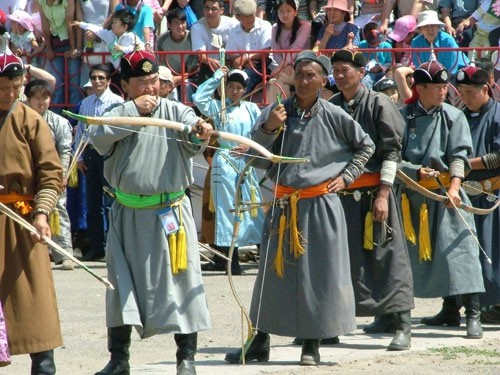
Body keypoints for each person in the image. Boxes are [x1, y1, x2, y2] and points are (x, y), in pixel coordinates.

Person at [224, 50, 375, 366]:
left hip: (321, 205)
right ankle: (260, 340)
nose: (304, 81)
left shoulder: (335, 115)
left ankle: (311, 344)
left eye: (311, 75)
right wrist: (268, 128)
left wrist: (346, 177)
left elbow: (366, 146)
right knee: (270, 275)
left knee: (317, 276)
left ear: (323, 80)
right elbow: (255, 157)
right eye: (300, 75)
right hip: (283, 205)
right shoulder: (277, 112)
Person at [88, 49, 212, 375]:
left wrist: (200, 128)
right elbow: (97, 136)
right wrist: (131, 111)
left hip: (170, 213)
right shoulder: (117, 112)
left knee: (183, 283)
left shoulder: (175, 111)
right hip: (128, 214)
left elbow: (192, 129)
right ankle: (119, 359)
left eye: (154, 80)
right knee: (120, 287)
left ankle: (187, 358)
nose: (150, 89)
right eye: (141, 82)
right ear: (125, 85)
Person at [329, 48, 414, 350]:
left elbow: (392, 152)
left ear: (361, 73)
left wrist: (382, 194)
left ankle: (402, 324)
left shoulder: (379, 103)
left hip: (377, 191)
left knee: (387, 256)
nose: (339, 75)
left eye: (345, 70)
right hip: (343, 195)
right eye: (335, 70)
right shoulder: (332, 105)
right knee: (344, 260)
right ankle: (331, 326)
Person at [398, 59, 485, 339]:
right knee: (404, 259)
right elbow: (392, 157)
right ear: (419, 88)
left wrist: (455, 186)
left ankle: (473, 314)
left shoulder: (453, 115)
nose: (443, 92)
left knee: (461, 253)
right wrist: (415, 171)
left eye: (444, 87)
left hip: (449, 194)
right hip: (413, 197)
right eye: (436, 87)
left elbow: (459, 155)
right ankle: (399, 318)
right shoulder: (402, 116)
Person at [0, 40, 63, 375]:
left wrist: (41, 213)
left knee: (36, 309)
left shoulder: (31, 120)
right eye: (2, 88)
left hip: (23, 223)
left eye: (14, 87)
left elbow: (52, 173)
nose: (9, 94)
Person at [424, 66, 500, 326]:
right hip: (460, 195)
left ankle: (494, 305)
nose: (465, 98)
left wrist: (464, 162)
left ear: (486, 89)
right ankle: (451, 306)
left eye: (470, 92)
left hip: (492, 196)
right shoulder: (456, 117)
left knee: (490, 252)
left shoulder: (498, 115)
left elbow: (498, 157)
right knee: (454, 250)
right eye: (462, 93)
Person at [193, 67, 265, 275]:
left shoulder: (251, 108)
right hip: (224, 162)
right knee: (227, 211)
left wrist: (249, 147)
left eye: (239, 88)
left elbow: (260, 131)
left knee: (253, 208)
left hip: (245, 161)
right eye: (231, 87)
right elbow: (199, 98)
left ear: (244, 90)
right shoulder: (218, 106)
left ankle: (264, 256)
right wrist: (217, 78)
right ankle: (231, 262)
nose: (234, 91)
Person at [74, 63, 124, 262]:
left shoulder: (117, 102)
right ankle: (97, 247)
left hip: (109, 154)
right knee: (93, 203)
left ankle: (115, 246)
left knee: (112, 201)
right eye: (94, 78)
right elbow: (80, 130)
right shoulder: (86, 103)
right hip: (90, 154)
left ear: (109, 80)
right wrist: (78, 158)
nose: (97, 81)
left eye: (101, 78)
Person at [24, 78, 75, 270]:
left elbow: (64, 150)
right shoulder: (20, 120)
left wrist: (62, 174)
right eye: (37, 98)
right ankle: (35, 253)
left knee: (59, 209)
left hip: (50, 173)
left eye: (45, 98)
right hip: (28, 174)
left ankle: (64, 253)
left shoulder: (59, 122)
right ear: (28, 99)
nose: (41, 102)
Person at [39, 0, 82, 112]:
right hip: (55, 45)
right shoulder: (41, 2)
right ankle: (56, 116)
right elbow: (45, 24)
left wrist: (73, 48)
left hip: (70, 42)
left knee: (74, 85)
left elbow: (70, 23)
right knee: (57, 85)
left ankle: (75, 119)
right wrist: (49, 48)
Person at [267, 0, 311, 104]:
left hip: (302, 66)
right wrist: (284, 67)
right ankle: (281, 110)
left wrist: (281, 67)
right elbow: (276, 51)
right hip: (285, 68)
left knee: (278, 77)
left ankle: (275, 110)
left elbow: (296, 48)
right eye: (281, 11)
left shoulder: (305, 26)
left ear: (295, 12)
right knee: (278, 80)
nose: (285, 14)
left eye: (288, 11)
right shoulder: (275, 28)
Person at [226, 0, 274, 95]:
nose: (250, 19)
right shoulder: (233, 30)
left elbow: (265, 52)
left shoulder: (265, 26)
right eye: (246, 16)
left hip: (262, 67)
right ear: (238, 17)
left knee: (242, 80)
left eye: (251, 15)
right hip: (239, 66)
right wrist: (244, 61)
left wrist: (244, 58)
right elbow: (230, 53)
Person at [71, 8, 144, 70]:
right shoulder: (110, 35)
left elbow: (136, 50)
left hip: (134, 70)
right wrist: (80, 24)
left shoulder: (130, 36)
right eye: (112, 22)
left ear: (124, 26)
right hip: (119, 71)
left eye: (115, 23)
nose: (112, 25)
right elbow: (98, 30)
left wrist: (122, 49)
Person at [190, 0, 238, 86]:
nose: (209, 12)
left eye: (214, 9)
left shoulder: (233, 25)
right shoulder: (197, 27)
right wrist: (211, 62)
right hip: (208, 65)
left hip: (230, 64)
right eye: (207, 8)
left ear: (221, 11)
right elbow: (201, 56)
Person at [157, 8, 198, 102]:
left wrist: (180, 78)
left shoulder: (192, 38)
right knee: (170, 88)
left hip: (189, 76)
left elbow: (194, 68)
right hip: (170, 76)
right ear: (169, 25)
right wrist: (172, 78)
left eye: (183, 22)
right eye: (176, 23)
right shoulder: (162, 41)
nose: (180, 26)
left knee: (186, 85)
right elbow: (162, 65)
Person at [411, 10, 469, 75]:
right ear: (420, 29)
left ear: (438, 27)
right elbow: (419, 68)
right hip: (431, 78)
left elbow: (451, 70)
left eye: (433, 25)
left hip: (460, 74)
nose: (430, 30)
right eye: (426, 26)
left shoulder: (448, 41)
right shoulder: (415, 42)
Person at [358, 22, 392, 89]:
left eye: (377, 44)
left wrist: (380, 67)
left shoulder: (387, 46)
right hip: (368, 73)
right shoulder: (361, 45)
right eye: (371, 44)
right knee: (365, 83)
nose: (374, 46)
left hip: (383, 73)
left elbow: (390, 62)